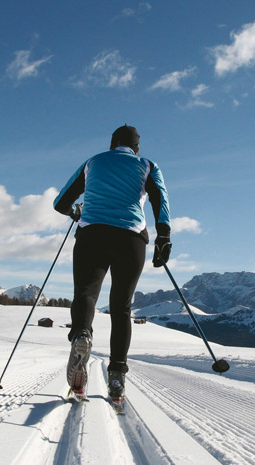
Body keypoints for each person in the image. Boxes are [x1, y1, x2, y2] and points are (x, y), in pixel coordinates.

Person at [53, 125, 171, 411]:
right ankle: (117, 378)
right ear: (136, 148)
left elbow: (59, 203)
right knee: (121, 308)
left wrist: (76, 211)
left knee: (86, 293)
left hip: (92, 233)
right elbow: (160, 201)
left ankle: (82, 334)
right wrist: (163, 237)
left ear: (112, 144)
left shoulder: (93, 162)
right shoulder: (148, 165)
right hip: (130, 238)